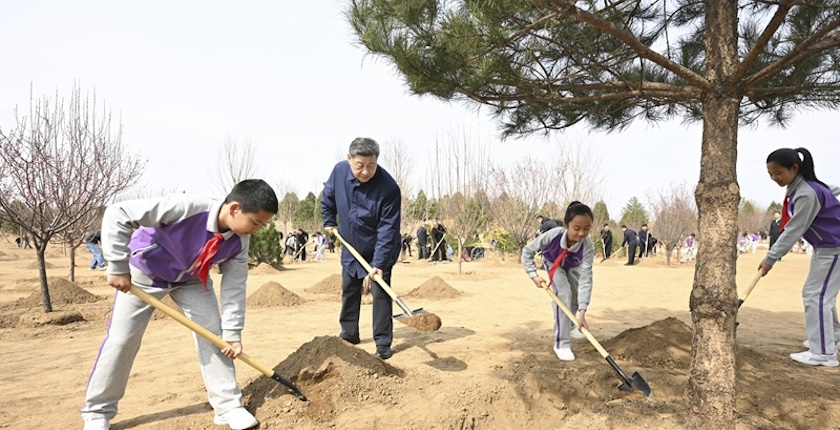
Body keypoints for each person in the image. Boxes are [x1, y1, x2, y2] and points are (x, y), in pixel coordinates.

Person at [80, 179, 278, 430]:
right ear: (235, 208)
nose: (257, 230)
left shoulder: (239, 241)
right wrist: (118, 266)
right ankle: (97, 412)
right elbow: (118, 213)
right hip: (144, 274)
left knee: (215, 336)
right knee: (122, 340)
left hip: (191, 280)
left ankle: (228, 407)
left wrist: (233, 334)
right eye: (255, 222)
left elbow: (234, 287)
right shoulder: (187, 207)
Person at [321, 137, 401, 360]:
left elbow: (388, 228)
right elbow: (327, 198)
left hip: (380, 245)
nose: (365, 171)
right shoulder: (338, 172)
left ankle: (383, 342)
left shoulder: (389, 187)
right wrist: (329, 221)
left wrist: (380, 263)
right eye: (360, 166)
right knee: (349, 288)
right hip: (350, 244)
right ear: (349, 159)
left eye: (371, 166)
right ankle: (349, 333)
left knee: (381, 292)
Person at [759, 147, 840, 367]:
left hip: (834, 248)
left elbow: (793, 230)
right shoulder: (799, 188)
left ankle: (823, 352)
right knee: (820, 294)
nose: (775, 178)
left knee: (816, 296)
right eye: (771, 174)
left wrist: (770, 258)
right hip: (825, 248)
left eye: (779, 173)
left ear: (794, 168)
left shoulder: (806, 192)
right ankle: (831, 338)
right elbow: (835, 190)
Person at [523, 202, 595, 362]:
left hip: (573, 266)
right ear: (566, 224)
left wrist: (582, 312)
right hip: (553, 263)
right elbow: (527, 250)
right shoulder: (553, 234)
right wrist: (533, 274)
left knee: (575, 296)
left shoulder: (588, 246)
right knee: (563, 295)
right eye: (576, 228)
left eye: (587, 228)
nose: (581, 233)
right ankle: (561, 343)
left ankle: (570, 325)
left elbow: (586, 279)